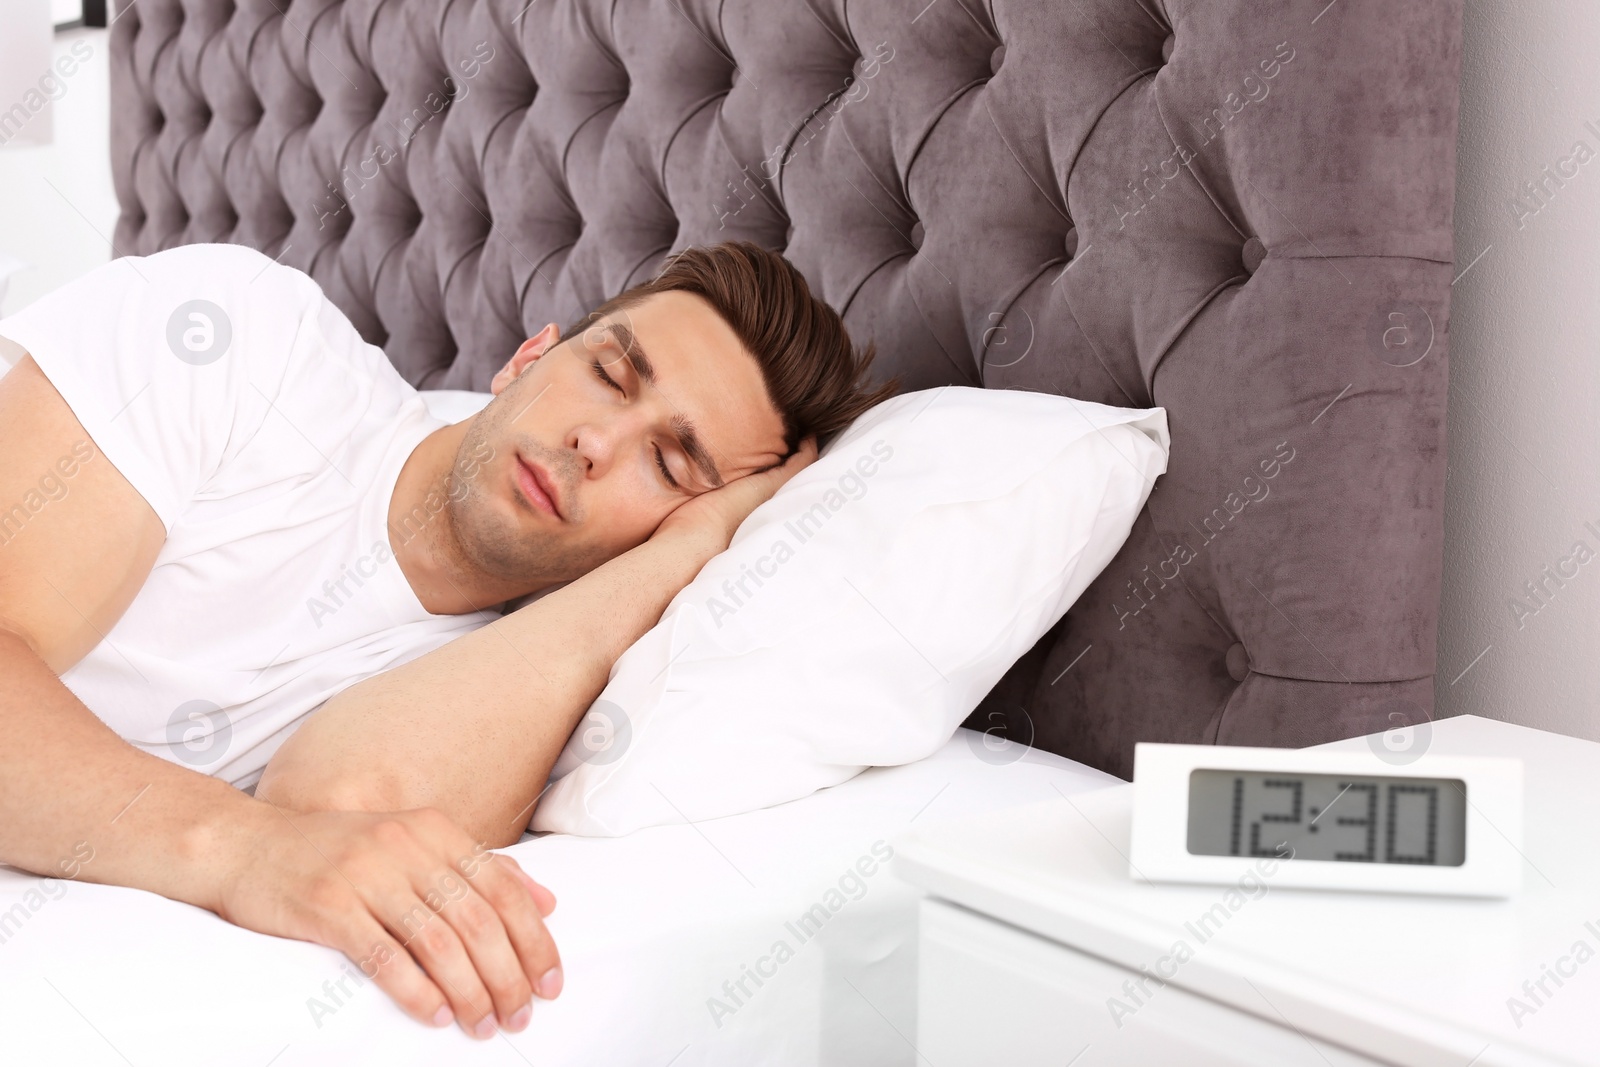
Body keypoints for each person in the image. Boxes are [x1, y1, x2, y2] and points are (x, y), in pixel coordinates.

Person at [0, 240, 893, 1040]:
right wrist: (242, 849)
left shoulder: (520, 686)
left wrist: (686, 557)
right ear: (529, 356)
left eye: (668, 463)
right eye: (611, 377)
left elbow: (340, 810)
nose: (593, 441)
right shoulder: (239, 335)